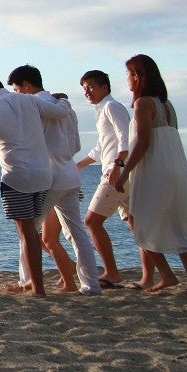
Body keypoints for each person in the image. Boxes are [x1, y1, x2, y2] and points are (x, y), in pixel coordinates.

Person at [113, 55, 187, 297]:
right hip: (177, 169)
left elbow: (143, 142)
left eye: (129, 74)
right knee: (179, 224)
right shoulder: (167, 104)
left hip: (155, 170)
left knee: (139, 222)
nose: (128, 80)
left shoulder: (143, 103)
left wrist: (123, 175)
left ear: (138, 77)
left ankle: (168, 275)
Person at [8, 66, 101, 297]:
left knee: (27, 230)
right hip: (69, 172)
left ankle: (27, 280)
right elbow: (77, 145)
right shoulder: (65, 108)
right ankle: (91, 285)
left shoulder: (33, 106)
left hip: (48, 175)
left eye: (17, 89)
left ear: (27, 86)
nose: (17, 94)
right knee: (77, 232)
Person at [0, 70, 56, 297]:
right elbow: (57, 111)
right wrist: (61, 99)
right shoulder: (30, 100)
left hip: (17, 177)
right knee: (31, 232)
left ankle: (37, 286)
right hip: (43, 174)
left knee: (26, 233)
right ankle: (34, 283)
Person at [77, 69, 132, 287]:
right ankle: (158, 273)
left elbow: (125, 138)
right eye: (84, 88)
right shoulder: (103, 110)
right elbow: (102, 147)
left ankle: (111, 272)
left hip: (116, 172)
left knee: (92, 221)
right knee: (133, 221)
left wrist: (118, 166)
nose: (86, 91)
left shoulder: (111, 106)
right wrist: (79, 165)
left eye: (90, 86)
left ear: (104, 87)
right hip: (116, 169)